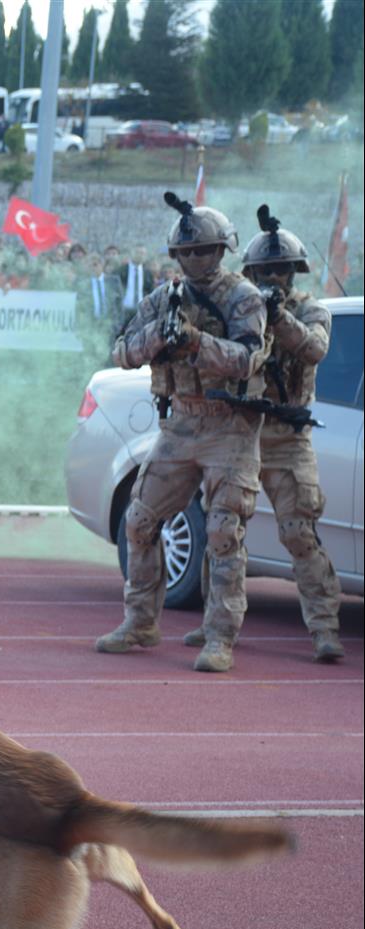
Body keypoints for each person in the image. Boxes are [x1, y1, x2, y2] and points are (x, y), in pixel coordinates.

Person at [96, 193, 268, 673]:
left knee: (222, 531)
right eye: (186, 253)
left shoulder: (244, 297)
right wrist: (159, 337)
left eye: (204, 250)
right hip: (181, 422)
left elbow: (248, 358)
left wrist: (196, 341)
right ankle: (140, 622)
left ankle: (220, 637)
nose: (195, 259)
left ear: (222, 250)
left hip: (230, 426)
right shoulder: (164, 297)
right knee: (139, 521)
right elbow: (122, 349)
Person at [180, 207, 342, 662]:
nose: (274, 276)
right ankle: (216, 625)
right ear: (250, 272)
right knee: (223, 530)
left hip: (286, 437)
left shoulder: (310, 310)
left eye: (282, 269)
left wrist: (280, 317)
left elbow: (313, 350)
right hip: (239, 432)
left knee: (298, 532)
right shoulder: (239, 306)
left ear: (294, 272)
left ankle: (324, 630)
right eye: (265, 270)